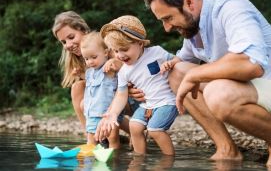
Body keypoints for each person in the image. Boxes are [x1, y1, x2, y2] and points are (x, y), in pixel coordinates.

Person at [141, 0, 271, 167]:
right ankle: (227, 149)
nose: (167, 27)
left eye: (168, 18)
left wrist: (195, 75)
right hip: (254, 92)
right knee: (176, 73)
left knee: (218, 93)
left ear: (188, 2)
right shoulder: (194, 27)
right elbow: (179, 64)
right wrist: (142, 88)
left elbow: (250, 63)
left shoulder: (229, 6)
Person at [95, 15, 180, 155]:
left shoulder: (156, 53)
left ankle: (169, 160)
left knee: (155, 130)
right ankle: (140, 158)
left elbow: (178, 59)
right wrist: (113, 114)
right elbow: (121, 95)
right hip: (148, 104)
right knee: (134, 126)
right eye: (115, 51)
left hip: (167, 101)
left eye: (124, 49)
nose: (120, 55)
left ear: (140, 43)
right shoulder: (124, 71)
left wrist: (171, 63)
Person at [52, 11, 131, 135]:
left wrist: (117, 63)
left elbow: (130, 68)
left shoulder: (103, 46)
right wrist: (81, 75)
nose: (68, 45)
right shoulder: (82, 59)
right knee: (77, 87)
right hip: (106, 102)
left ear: (83, 29)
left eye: (71, 37)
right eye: (63, 42)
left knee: (99, 103)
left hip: (128, 96)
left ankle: (129, 132)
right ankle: (90, 134)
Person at [80, 31, 125, 148]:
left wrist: (113, 62)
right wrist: (79, 74)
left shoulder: (109, 68)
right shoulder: (89, 72)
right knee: (91, 142)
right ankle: (89, 161)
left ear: (105, 53)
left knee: (113, 140)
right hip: (92, 114)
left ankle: (115, 158)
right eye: (86, 59)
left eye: (94, 57)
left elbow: (123, 67)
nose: (90, 61)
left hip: (107, 114)